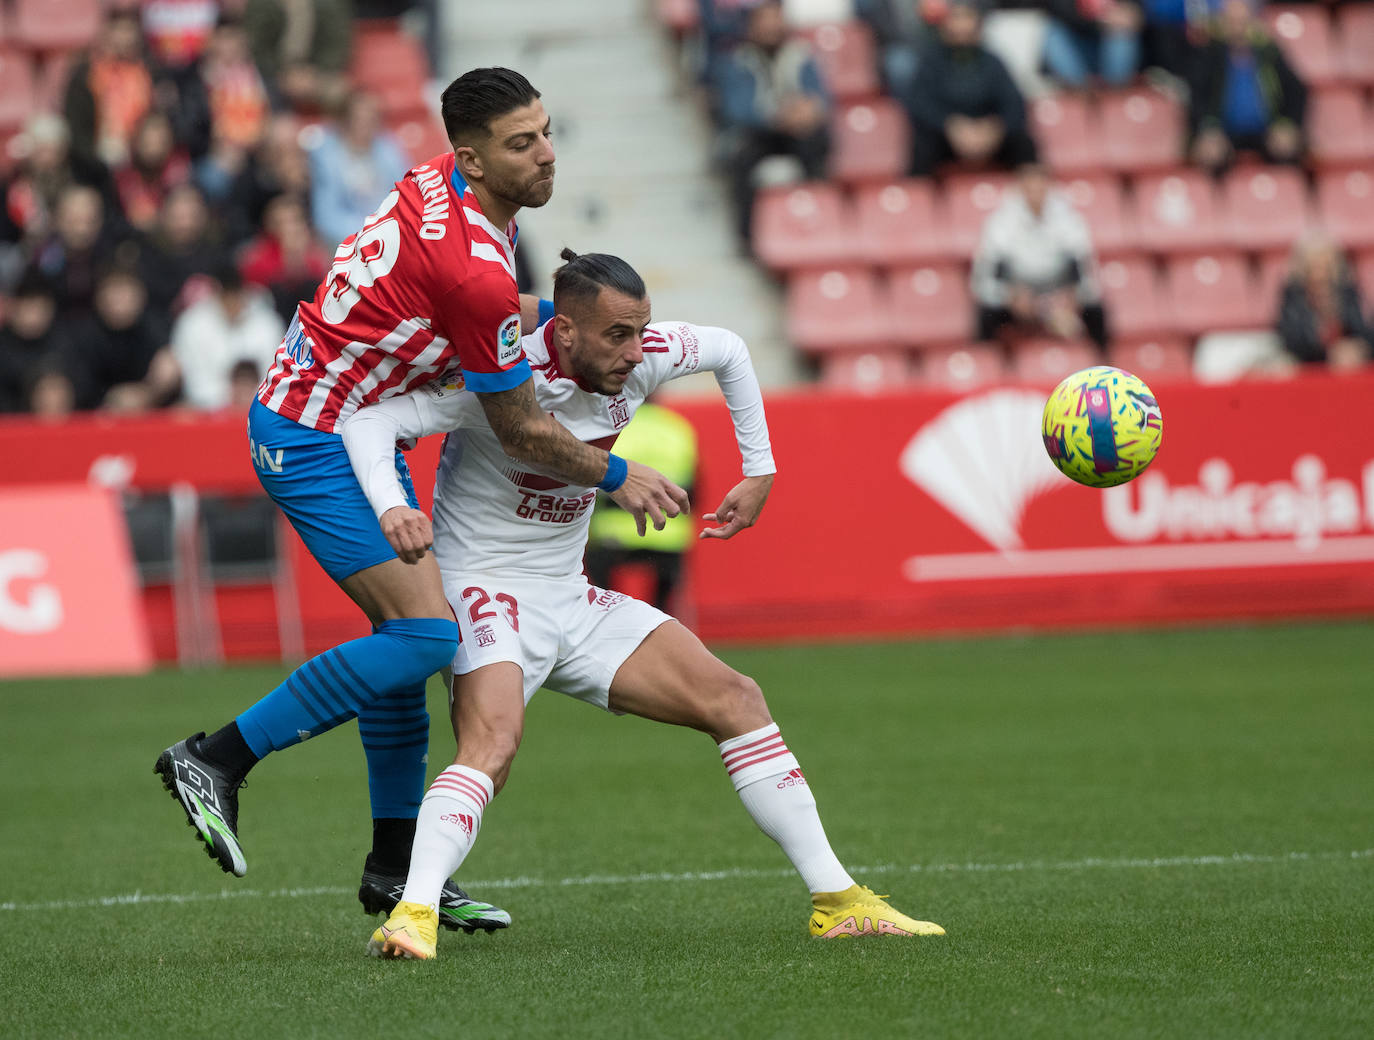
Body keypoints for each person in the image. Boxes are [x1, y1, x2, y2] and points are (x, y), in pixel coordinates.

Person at [153, 68, 688, 936]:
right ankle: (215, 759)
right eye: (523, 143)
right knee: (429, 637)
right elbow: (520, 429)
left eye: (547, 132)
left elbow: (476, 308)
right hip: (314, 432)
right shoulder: (476, 266)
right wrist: (617, 475)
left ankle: (395, 870)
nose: (547, 155)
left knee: (400, 647)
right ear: (471, 158)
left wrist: (573, 320)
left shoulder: (442, 188)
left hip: (349, 421)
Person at [341, 250, 945, 960]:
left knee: (736, 698)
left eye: (641, 331)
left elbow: (729, 349)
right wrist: (391, 504)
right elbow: (368, 422)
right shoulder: (500, 377)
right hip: (485, 591)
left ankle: (837, 902)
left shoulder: (646, 355)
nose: (637, 351)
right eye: (618, 335)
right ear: (565, 330)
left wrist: (760, 470)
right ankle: (412, 914)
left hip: (571, 595)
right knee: (492, 746)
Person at [712, 0, 831, 243]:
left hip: (798, 133)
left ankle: (817, 224)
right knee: (742, 155)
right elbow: (737, 109)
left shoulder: (802, 54)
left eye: (775, 18)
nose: (771, 27)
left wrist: (809, 111)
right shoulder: (738, 60)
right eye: (764, 20)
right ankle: (748, 237)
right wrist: (778, 116)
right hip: (760, 135)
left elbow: (820, 98)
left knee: (817, 143)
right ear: (751, 25)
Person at [971, 161, 1109, 349]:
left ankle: (1102, 360)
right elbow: (984, 282)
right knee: (986, 315)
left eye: (1040, 188)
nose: (1036, 195)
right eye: (1029, 189)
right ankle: (986, 363)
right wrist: (1011, 297)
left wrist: (1070, 299)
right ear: (1019, 189)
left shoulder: (1070, 219)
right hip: (1017, 293)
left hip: (1059, 291)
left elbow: (1086, 274)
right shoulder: (1000, 222)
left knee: (1096, 311)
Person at [898, 0, 1037, 176]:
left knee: (1023, 143)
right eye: (956, 18)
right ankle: (918, 193)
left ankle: (1034, 192)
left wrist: (994, 128)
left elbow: (1014, 104)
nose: (962, 26)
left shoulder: (992, 61)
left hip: (988, 133)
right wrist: (950, 126)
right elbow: (919, 104)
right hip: (947, 134)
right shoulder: (930, 61)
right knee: (922, 146)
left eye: (967, 18)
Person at [585, 399, 698, 613]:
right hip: (669, 536)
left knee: (602, 602)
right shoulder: (678, 428)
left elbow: (590, 485)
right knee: (663, 605)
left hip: (612, 535)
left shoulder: (609, 428)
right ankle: (661, 622)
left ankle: (609, 619)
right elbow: (694, 491)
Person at [1187, 0, 1306, 175]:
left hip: (1266, 130)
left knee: (1287, 152)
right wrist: (1207, 130)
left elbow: (1297, 91)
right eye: (1231, 21)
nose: (1237, 27)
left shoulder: (1268, 52)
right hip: (1223, 132)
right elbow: (1197, 97)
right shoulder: (1209, 53)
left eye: (1241, 20)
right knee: (1210, 156)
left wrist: (1288, 124)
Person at [168, 264, 285, 410]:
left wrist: (248, 398)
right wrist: (228, 399)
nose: (232, 302)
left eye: (236, 294)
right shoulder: (192, 323)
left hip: (260, 409)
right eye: (226, 295)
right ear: (216, 293)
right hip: (205, 411)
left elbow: (276, 376)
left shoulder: (269, 325)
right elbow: (193, 380)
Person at [309, 92, 412, 250]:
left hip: (390, 234)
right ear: (345, 121)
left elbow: (406, 192)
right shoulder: (326, 155)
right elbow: (326, 217)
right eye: (359, 120)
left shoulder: (388, 147)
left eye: (371, 120)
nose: (366, 127)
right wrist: (369, 233)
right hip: (348, 243)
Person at [1274, 232, 1372, 371]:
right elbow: (1290, 338)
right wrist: (1323, 347)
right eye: (1314, 266)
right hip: (1306, 360)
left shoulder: (1347, 291)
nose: (1320, 273)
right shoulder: (1293, 294)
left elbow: (1362, 330)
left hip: (1343, 362)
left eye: (1326, 265)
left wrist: (1355, 346)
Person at [1039, 0, 1143, 89]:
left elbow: (1135, 13)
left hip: (1113, 47)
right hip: (1074, 48)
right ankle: (1080, 92)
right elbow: (1055, 11)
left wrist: (1128, 13)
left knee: (1122, 30)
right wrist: (1102, 17)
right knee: (1050, 31)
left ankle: (1116, 93)